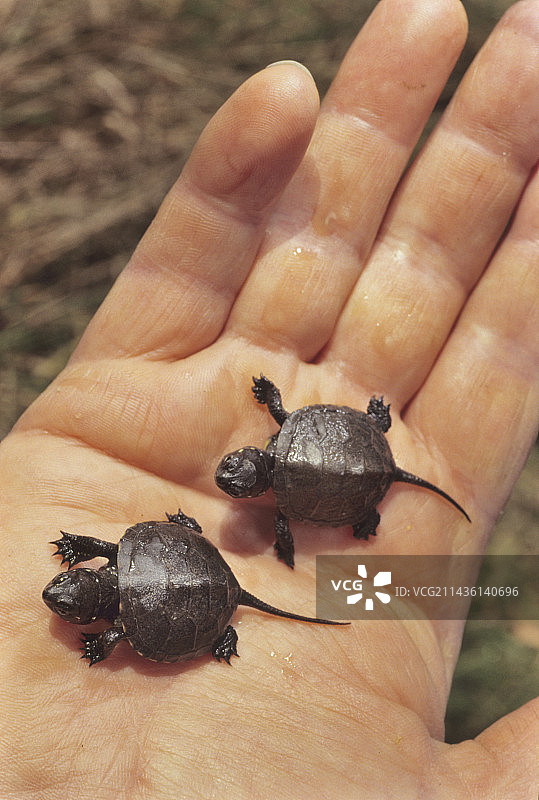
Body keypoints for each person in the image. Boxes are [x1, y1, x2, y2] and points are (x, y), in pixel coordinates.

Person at [1, 0, 538, 796]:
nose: (65, 595)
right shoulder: (148, 546)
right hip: (265, 526)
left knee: (398, 537)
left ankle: (385, 505)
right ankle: (387, 506)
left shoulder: (196, 543)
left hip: (288, 519)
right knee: (394, 543)